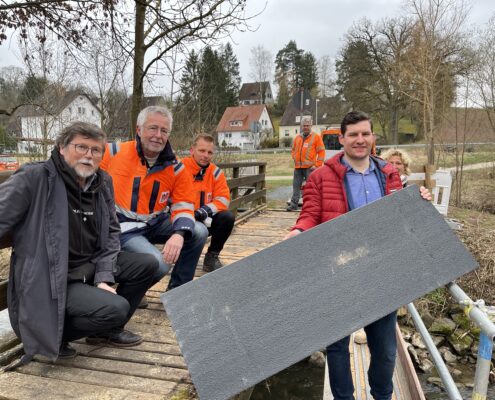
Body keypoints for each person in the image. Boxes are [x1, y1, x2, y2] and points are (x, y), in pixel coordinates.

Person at [285, 111, 431, 400]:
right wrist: (299, 231)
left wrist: (419, 200)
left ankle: (382, 395)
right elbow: (310, 214)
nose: (360, 140)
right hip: (337, 273)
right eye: (353, 134)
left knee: (385, 350)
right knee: (338, 348)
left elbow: (400, 216)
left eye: (365, 134)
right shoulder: (320, 177)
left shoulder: (388, 173)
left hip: (381, 272)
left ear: (373, 137)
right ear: (341, 139)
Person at [0, 122, 158, 362]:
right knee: (116, 308)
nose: (89, 155)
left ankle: (104, 331)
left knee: (148, 264)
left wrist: (104, 276)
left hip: (90, 266)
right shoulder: (35, 177)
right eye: (81, 147)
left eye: (96, 150)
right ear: (61, 148)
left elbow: (112, 232)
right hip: (53, 277)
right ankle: (53, 337)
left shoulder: (102, 182)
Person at [100, 106, 208, 299]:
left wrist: (179, 233)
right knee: (159, 263)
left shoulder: (175, 167)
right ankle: (121, 299)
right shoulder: (113, 152)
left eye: (164, 131)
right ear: (139, 129)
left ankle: (177, 291)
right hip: (121, 226)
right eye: (153, 128)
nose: (158, 135)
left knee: (198, 231)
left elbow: (183, 204)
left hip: (153, 223)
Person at [182, 134, 234, 272]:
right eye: (202, 151)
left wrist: (202, 212)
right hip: (181, 220)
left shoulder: (216, 173)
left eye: (209, 152)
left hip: (204, 219)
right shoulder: (179, 168)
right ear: (192, 150)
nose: (205, 155)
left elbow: (223, 199)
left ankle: (211, 257)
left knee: (227, 217)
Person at [286, 115, 325, 211]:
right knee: (296, 187)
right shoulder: (297, 138)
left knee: (311, 188)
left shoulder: (316, 137)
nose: (306, 127)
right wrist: (294, 157)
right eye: (304, 125)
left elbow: (321, 152)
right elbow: (293, 150)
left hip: (310, 168)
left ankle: (312, 206)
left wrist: (317, 165)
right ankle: (293, 205)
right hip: (298, 167)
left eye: (307, 125)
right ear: (301, 126)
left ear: (311, 126)